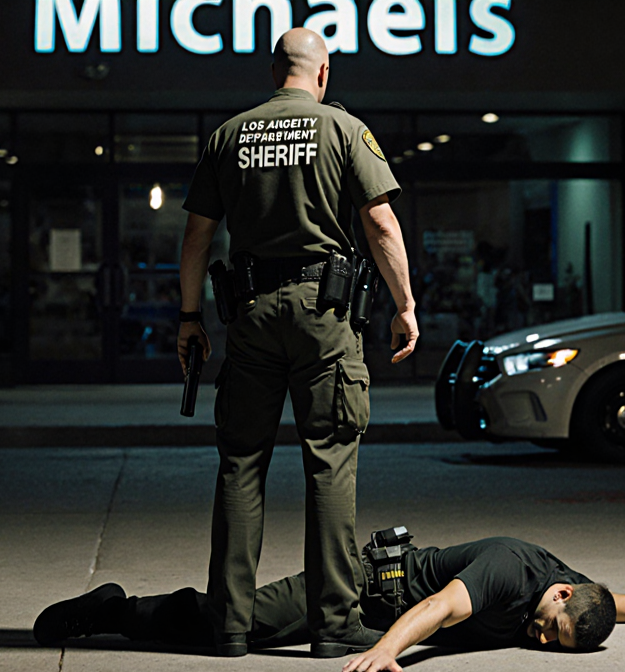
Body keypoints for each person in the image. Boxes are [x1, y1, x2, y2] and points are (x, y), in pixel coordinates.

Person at [175, 27, 418, 658]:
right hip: (325, 314)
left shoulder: (229, 135)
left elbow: (197, 236)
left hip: (251, 312)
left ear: (273, 71)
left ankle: (229, 625)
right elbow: (380, 223)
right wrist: (405, 305)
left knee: (240, 464)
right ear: (324, 73)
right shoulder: (344, 129)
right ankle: (334, 625)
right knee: (329, 463)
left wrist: (189, 316)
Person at [31, 534, 625, 669]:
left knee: (243, 631)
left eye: (552, 643)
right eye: (549, 629)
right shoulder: (509, 571)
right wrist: (386, 652)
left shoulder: (578, 593)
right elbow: (438, 612)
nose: (540, 638)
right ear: (555, 594)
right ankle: (117, 610)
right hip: (360, 589)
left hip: (374, 617)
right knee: (236, 626)